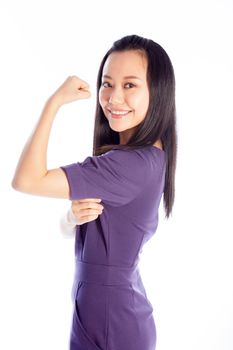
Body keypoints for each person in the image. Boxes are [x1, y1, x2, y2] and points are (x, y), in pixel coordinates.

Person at [12, 34, 177, 350]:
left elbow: (26, 180)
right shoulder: (141, 157)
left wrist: (54, 102)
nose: (114, 97)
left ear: (158, 92)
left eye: (130, 85)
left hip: (111, 319)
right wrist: (71, 219)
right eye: (107, 83)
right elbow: (99, 235)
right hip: (103, 310)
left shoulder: (131, 164)